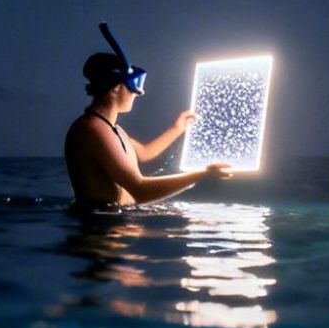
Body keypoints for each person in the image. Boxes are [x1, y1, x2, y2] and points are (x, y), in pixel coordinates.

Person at [65, 22, 229, 207]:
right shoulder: (93, 129)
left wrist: (177, 129)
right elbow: (139, 189)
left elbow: (144, 153)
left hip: (115, 224)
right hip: (99, 228)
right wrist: (202, 175)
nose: (137, 93)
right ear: (117, 88)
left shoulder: (112, 129)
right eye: (133, 86)